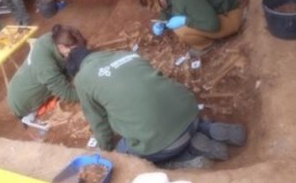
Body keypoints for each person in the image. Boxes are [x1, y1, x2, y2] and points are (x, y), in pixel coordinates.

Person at [64, 44, 246, 166]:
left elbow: (99, 122)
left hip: (165, 144)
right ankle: (208, 129)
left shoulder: (82, 79)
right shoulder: (126, 55)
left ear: (76, 71)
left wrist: (106, 151)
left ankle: (188, 157)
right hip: (191, 115)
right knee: (165, 116)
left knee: (124, 156)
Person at [135, 0, 243, 56]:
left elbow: (214, 25)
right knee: (180, 24)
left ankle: (206, 46)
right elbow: (167, 9)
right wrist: (162, 23)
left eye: (154, 7)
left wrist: (185, 21)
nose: (155, 10)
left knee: (181, 30)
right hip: (218, 9)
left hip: (232, 15)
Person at [7, 24, 85, 122]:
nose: (76, 52)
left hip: (24, 82)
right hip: (23, 102)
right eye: (73, 50)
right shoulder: (45, 66)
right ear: (61, 47)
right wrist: (91, 94)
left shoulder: (54, 37)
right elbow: (66, 93)